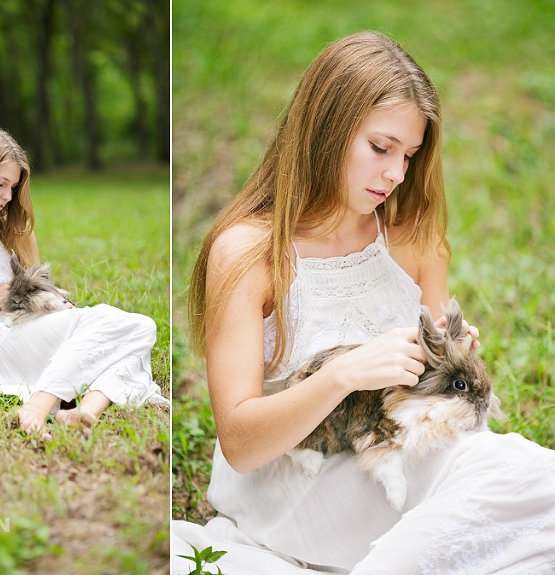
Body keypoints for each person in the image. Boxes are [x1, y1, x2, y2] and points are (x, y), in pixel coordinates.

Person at [172, 32, 555, 574]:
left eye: (410, 155)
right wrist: (340, 375)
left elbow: (437, 399)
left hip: (406, 462)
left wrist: (458, 357)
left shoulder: (413, 236)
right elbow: (240, 443)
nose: (397, 174)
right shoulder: (251, 251)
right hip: (302, 483)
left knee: (523, 483)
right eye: (381, 148)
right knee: (527, 484)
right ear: (325, 131)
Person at [0, 127, 168, 438]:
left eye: (13, 187)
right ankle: (43, 403)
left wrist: (61, 306)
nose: (6, 196)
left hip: (20, 330)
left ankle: (86, 411)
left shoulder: (16, 230)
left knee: (138, 330)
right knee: (127, 334)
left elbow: (37, 294)